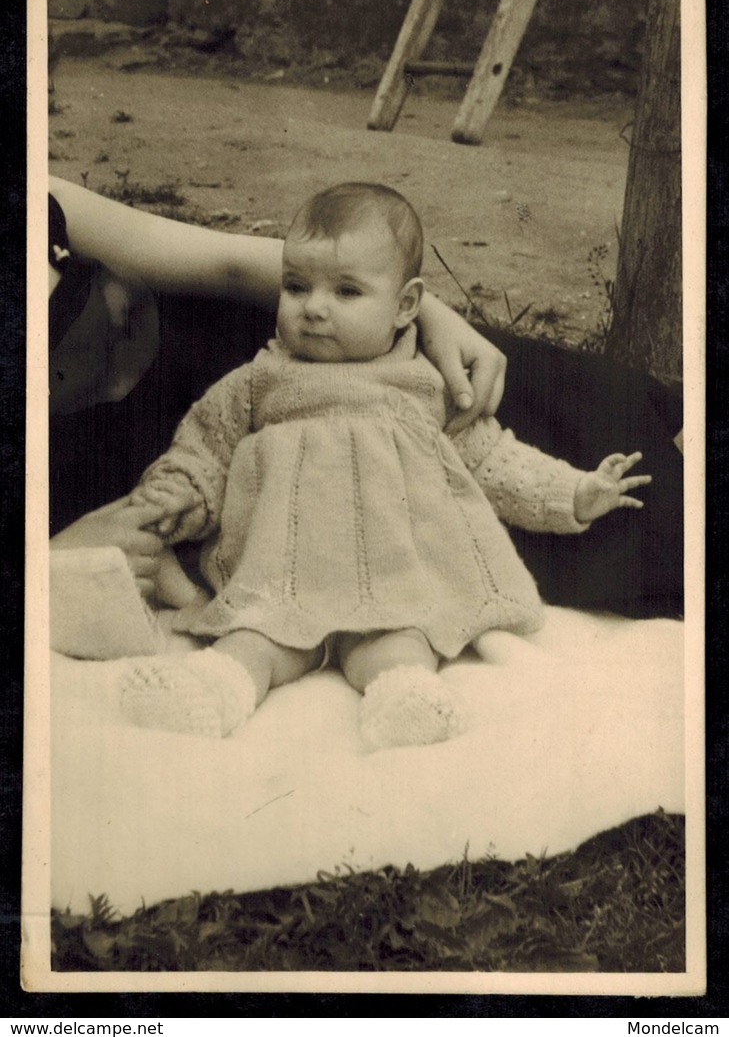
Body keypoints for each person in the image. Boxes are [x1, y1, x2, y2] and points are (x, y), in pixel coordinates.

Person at [118, 183, 650, 749]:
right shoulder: (258, 381)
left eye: (346, 292)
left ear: (404, 306)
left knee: (400, 643)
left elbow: (489, 459)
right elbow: (205, 449)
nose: (314, 307)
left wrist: (571, 493)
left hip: (392, 579)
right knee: (254, 637)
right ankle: (213, 690)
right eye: (296, 286)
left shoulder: (424, 385)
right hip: (281, 578)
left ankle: (405, 700)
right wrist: (179, 495)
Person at [48, 176, 508, 599]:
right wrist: (49, 558)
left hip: (293, 354)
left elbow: (231, 264)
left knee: (512, 420)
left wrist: (425, 315)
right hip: (199, 485)